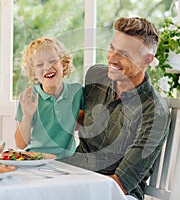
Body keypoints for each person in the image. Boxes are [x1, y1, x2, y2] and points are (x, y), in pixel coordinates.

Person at [63, 17, 171, 199]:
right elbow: (76, 120)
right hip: (74, 176)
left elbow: (119, 183)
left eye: (124, 54)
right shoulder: (96, 76)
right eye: (112, 48)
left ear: (147, 60)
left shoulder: (153, 112)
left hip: (115, 192)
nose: (112, 58)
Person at [14, 36, 84, 159]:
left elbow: (84, 122)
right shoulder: (29, 98)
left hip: (68, 162)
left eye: (53, 61)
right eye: (39, 64)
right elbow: (20, 144)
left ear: (63, 63)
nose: (47, 67)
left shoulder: (77, 92)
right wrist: (27, 115)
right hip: (35, 159)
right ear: (33, 72)